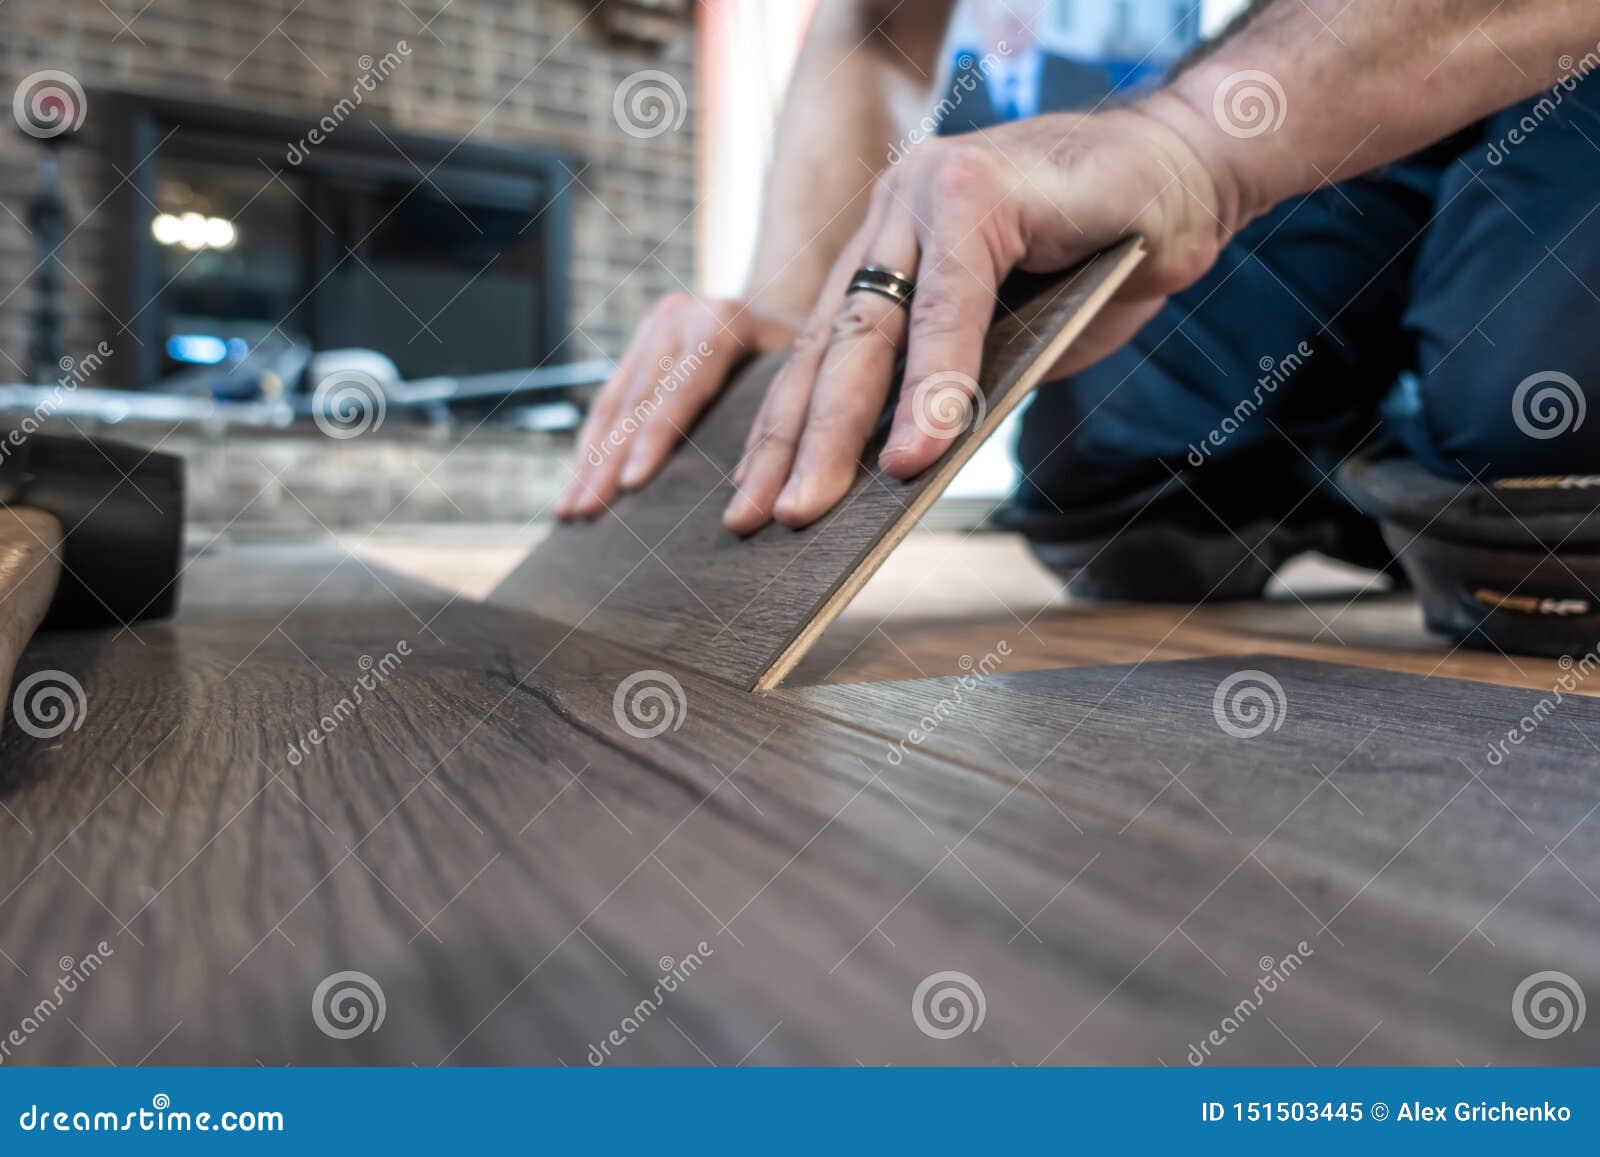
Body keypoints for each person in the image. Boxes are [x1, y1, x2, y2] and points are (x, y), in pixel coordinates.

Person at [556, 0, 1600, 656]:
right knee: (1101, 471)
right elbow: (875, 23)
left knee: (1525, 436)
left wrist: (1193, 145)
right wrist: (799, 331)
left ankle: (1439, 403)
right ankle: (1373, 446)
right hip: (1368, 43)